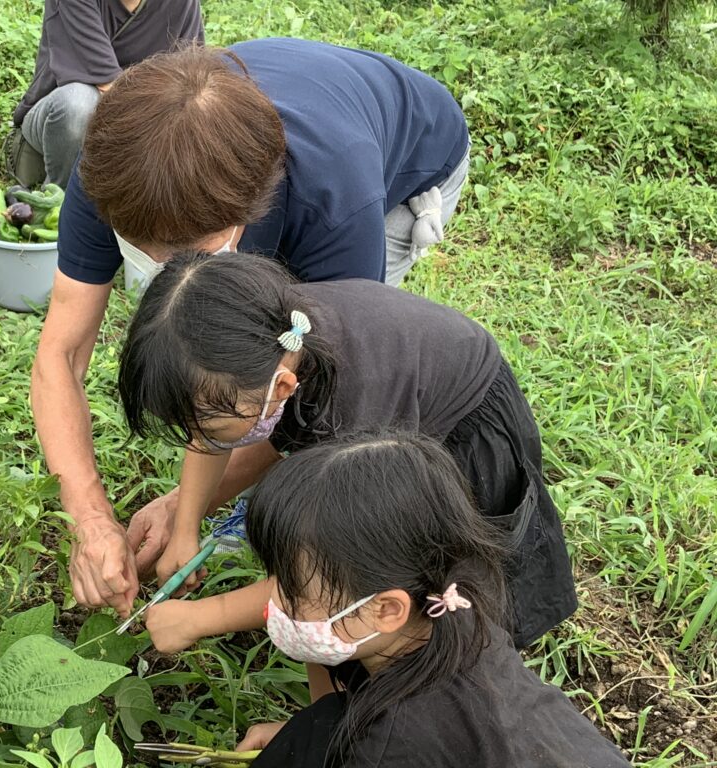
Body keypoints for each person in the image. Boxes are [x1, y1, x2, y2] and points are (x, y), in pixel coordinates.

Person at [31, 38, 472, 617]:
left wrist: (187, 506)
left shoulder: (333, 205)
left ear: (246, 216)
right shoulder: (116, 171)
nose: (166, 269)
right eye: (145, 250)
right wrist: (90, 520)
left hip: (412, 151)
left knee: (318, 394)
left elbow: (300, 388)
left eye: (189, 251)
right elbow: (60, 356)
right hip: (282, 119)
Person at [120, 251, 577, 651]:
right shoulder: (263, 336)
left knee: (437, 590)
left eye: (211, 427)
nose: (199, 439)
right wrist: (184, 527)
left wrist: (204, 618)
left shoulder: (353, 415)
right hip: (398, 389)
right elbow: (209, 433)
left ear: (282, 388)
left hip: (464, 429)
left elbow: (329, 572)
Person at [218, 435, 631, 768]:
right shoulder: (458, 611)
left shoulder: (393, 745)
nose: (275, 599)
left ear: (387, 610)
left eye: (292, 589)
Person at [6, 0, 204, 188]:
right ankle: (59, 200)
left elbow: (191, 79)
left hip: (136, 125)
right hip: (60, 122)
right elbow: (110, 87)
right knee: (79, 103)